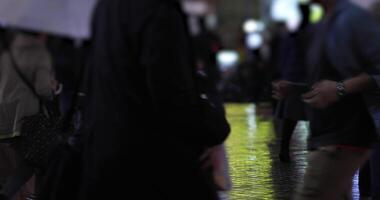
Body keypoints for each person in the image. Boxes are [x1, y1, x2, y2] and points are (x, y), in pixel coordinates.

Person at [79, 0, 230, 199]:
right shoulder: (159, 13)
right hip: (152, 160)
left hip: (109, 155)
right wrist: (215, 128)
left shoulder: (106, 7)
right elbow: (173, 98)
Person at [280, 0, 380, 199]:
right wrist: (296, 89)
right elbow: (330, 78)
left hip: (345, 135)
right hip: (328, 136)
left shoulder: (352, 19)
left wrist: (341, 88)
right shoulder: (327, 22)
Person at [0, 31, 55, 200]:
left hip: (5, 112)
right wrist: (55, 90)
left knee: (16, 161)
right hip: (29, 116)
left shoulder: (8, 51)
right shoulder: (40, 52)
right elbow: (43, 89)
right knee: (33, 161)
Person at [272, 2, 311, 163]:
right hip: (302, 78)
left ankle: (284, 148)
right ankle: (312, 147)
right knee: (308, 114)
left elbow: (285, 56)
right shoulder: (311, 33)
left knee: (290, 117)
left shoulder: (295, 35)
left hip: (293, 77)